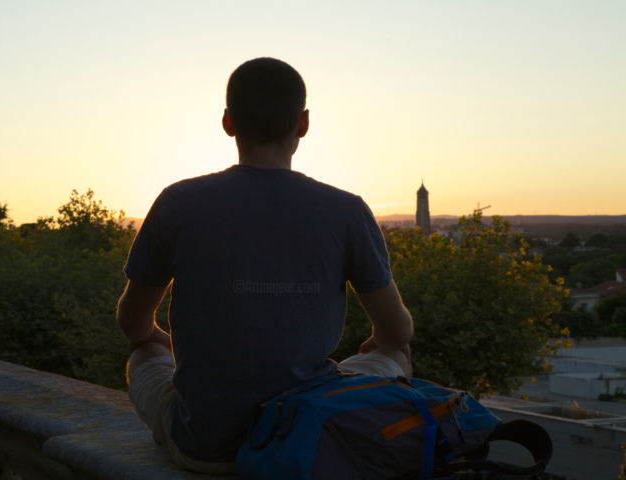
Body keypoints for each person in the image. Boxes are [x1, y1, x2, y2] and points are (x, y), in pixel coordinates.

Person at [117, 57, 413, 474]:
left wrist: (154, 338)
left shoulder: (177, 202)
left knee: (144, 352)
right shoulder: (347, 211)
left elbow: (132, 322)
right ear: (303, 123)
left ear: (228, 122)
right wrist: (378, 342)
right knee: (395, 353)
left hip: (203, 450)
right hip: (300, 435)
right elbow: (398, 332)